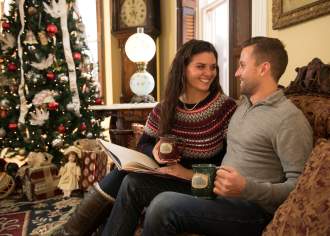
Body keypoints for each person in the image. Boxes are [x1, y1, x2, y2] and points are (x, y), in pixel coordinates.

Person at [102, 37, 313, 236]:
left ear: (263, 68)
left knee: (162, 205)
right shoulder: (243, 107)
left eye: (242, 65)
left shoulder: (288, 119)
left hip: (251, 210)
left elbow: (301, 188)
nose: (236, 73)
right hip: (215, 192)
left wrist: (246, 188)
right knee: (133, 184)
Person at [54, 39, 237, 236]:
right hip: (168, 177)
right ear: (183, 68)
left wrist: (184, 172)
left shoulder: (226, 109)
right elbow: (144, 145)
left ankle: (70, 232)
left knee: (132, 183)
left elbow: (230, 163)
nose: (209, 73)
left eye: (213, 67)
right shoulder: (165, 107)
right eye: (201, 66)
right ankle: (72, 232)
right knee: (123, 173)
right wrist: (155, 153)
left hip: (200, 185)